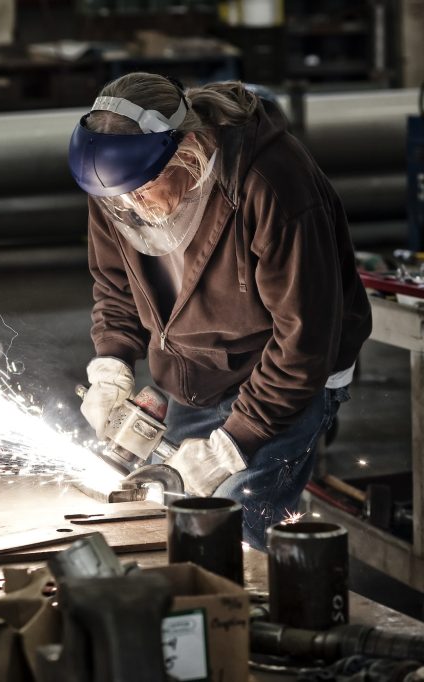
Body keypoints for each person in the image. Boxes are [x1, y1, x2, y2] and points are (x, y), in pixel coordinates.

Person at [70, 73, 372, 550]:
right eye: (115, 196)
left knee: (235, 528)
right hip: (192, 372)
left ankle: (270, 618)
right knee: (173, 518)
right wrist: (112, 361)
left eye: (144, 188)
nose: (129, 205)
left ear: (188, 149)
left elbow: (304, 338)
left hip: (285, 377)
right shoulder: (118, 185)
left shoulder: (272, 183)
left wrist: (235, 441)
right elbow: (114, 284)